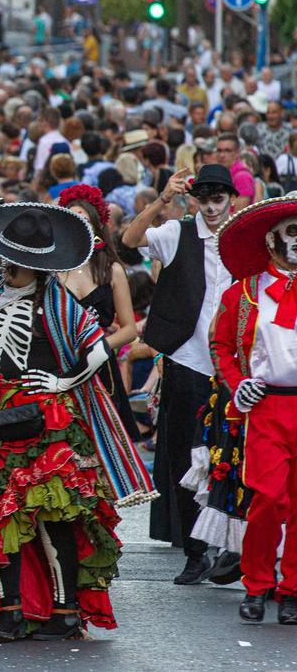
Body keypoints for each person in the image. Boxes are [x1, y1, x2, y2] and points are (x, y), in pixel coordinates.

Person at [0, 202, 155, 642]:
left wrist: (63, 379)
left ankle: (66, 611)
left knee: (54, 514)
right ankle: (10, 611)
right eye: (6, 258)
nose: (8, 267)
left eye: (16, 261)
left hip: (49, 417)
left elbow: (96, 345)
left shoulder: (56, 298)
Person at [121, 164, 236, 584]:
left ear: (231, 200)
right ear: (194, 200)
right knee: (184, 457)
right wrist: (161, 201)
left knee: (233, 455)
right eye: (203, 198)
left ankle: (232, 545)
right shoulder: (178, 233)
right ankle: (194, 550)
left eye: (218, 198)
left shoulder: (241, 240)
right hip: (187, 359)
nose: (210, 206)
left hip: (234, 367)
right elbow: (130, 241)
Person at [209, 197, 297, 625]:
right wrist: (237, 384)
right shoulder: (244, 292)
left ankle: (293, 588)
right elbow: (221, 346)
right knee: (268, 499)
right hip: (266, 407)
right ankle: (257, 583)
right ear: (273, 238)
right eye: (293, 231)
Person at [57, 184, 139, 439]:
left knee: (107, 442)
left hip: (102, 367)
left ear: (95, 224)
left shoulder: (112, 270)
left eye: (83, 219)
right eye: (72, 220)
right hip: (63, 364)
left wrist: (99, 346)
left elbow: (129, 329)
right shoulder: (53, 271)